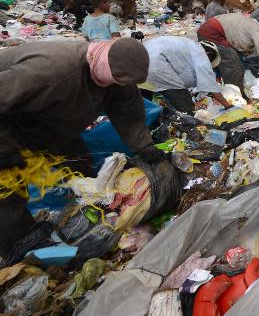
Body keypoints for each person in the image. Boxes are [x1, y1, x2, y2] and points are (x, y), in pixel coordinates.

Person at [0, 38, 156, 259]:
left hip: (48, 123)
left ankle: (91, 206)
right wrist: (5, 149)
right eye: (117, 80)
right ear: (105, 65)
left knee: (79, 160)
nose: (119, 85)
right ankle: (21, 245)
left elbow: (128, 112)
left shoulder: (116, 78)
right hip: (7, 122)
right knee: (7, 188)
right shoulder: (51, 70)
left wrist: (145, 145)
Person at [144, 36, 231, 114]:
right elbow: (211, 87)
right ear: (209, 54)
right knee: (185, 104)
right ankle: (190, 126)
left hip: (140, 55)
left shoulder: (190, 45)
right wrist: (228, 106)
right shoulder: (202, 56)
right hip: (157, 64)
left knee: (143, 101)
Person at [197, 13, 259, 92]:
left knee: (234, 63)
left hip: (206, 29)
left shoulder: (249, 21)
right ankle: (236, 95)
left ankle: (220, 85)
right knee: (235, 68)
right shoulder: (258, 29)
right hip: (213, 33)